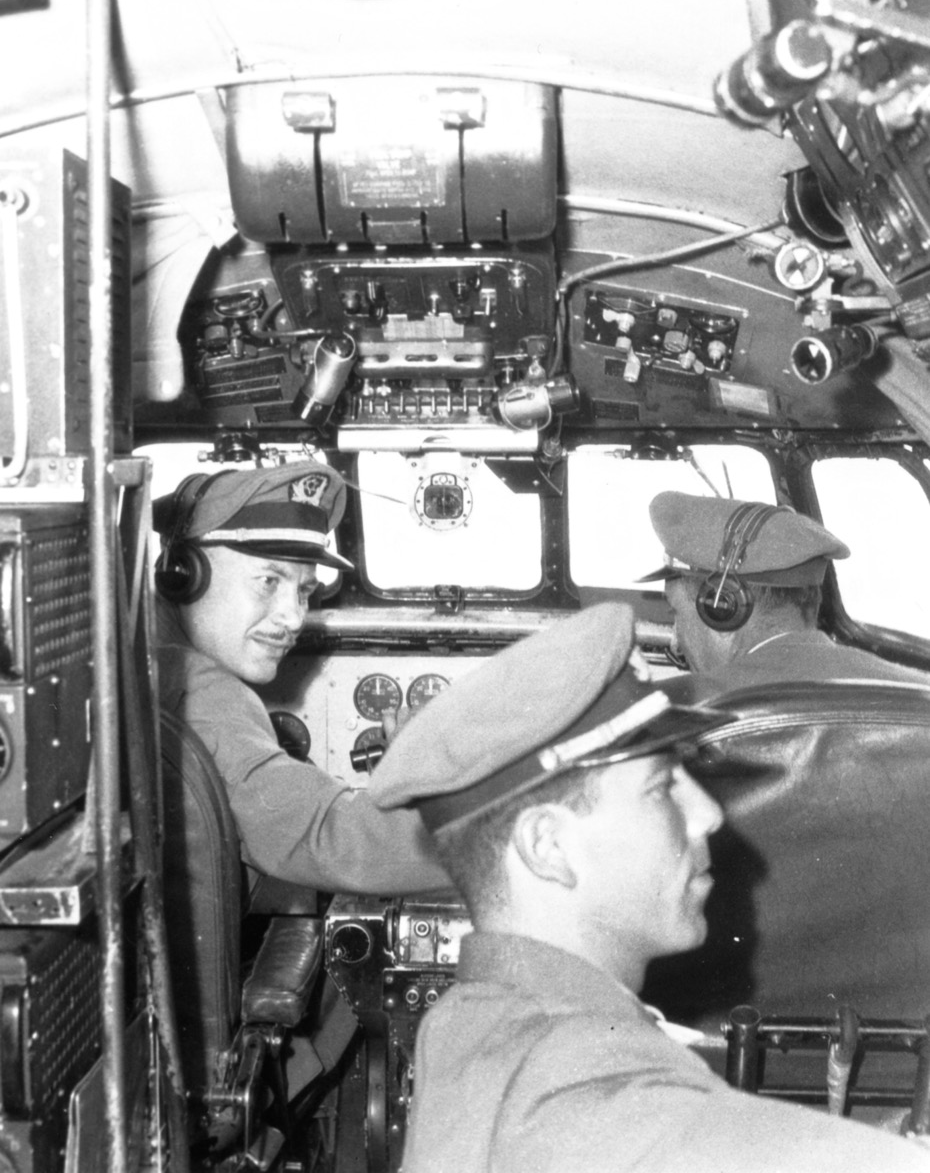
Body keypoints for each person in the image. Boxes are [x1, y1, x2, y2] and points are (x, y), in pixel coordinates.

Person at [368, 604, 930, 1173]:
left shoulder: (461, 1021)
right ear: (550, 848)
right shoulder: (610, 1113)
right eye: (662, 787)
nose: (709, 813)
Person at [154, 460, 448, 896]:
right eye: (268, 581)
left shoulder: (152, 660)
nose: (293, 617)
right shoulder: (202, 692)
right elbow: (342, 845)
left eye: (304, 590)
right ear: (183, 575)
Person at [643, 490, 930, 695]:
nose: (675, 645)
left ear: (723, 607)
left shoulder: (679, 714)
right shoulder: (917, 691)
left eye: (676, 613)